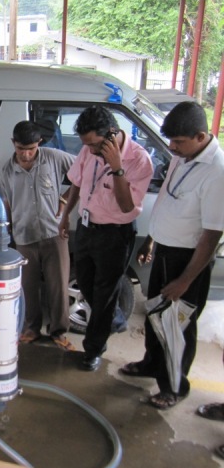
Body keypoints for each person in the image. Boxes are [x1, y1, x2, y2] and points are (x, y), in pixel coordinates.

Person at [120, 101, 224, 410]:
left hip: (188, 261)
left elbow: (211, 237)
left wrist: (184, 281)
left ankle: (175, 387)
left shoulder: (217, 173)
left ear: (200, 136)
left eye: (178, 142)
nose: (172, 147)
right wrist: (151, 240)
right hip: (165, 251)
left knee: (177, 327)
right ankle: (153, 364)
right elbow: (170, 199)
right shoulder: (185, 156)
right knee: (156, 316)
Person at [58, 106, 153, 371]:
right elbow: (77, 182)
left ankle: (93, 350)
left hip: (115, 234)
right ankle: (114, 317)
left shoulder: (138, 160)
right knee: (87, 285)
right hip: (87, 227)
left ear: (111, 134)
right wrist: (66, 216)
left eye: (95, 144)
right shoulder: (89, 149)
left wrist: (117, 168)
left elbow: (126, 206)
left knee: (105, 292)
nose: (89, 150)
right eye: (86, 144)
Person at [0, 121, 75, 350]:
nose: (26, 153)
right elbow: (6, 202)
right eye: (21, 148)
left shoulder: (54, 158)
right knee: (27, 287)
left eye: (30, 148)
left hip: (54, 233)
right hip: (24, 236)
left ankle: (59, 332)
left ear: (39, 144)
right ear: (14, 144)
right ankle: (31, 328)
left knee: (58, 285)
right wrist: (9, 229)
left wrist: (64, 201)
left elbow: (82, 176)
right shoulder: (7, 170)